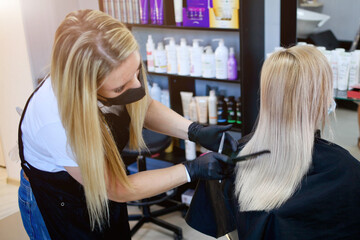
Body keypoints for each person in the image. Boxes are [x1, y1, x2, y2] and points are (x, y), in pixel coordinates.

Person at [18, 9, 237, 239]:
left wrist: (194, 131)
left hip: (102, 188)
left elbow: (143, 107)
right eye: (120, 87)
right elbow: (115, 188)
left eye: (135, 72)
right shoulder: (56, 123)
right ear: (87, 88)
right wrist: (191, 170)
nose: (135, 84)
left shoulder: (119, 71)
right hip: (60, 200)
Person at [186, 45, 360, 239]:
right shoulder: (348, 169)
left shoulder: (232, 158)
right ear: (322, 99)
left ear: (267, 97)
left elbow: (225, 229)